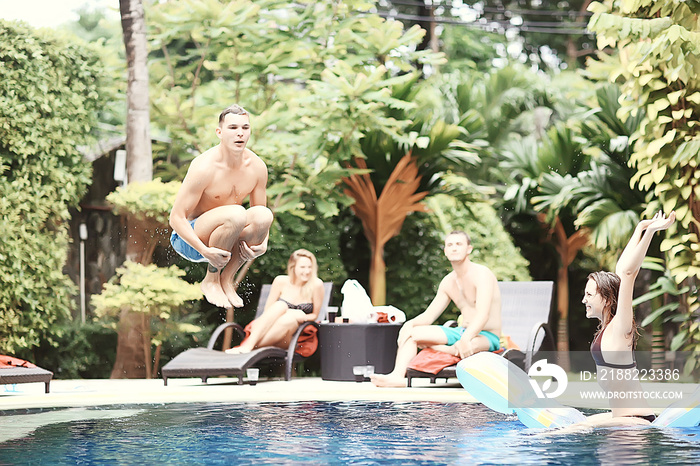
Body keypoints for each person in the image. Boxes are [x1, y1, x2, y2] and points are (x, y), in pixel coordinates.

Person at [575, 210, 676, 429]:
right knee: (571, 424)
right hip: (621, 417)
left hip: (634, 421)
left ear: (608, 299)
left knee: (575, 429)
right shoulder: (608, 327)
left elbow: (629, 274)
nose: (584, 300)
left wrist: (650, 232)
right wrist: (640, 227)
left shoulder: (621, 326)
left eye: (589, 295)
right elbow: (622, 269)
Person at [169, 104, 273, 309]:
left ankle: (227, 279)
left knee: (264, 216)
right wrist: (206, 251)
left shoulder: (257, 167)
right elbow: (175, 218)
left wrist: (263, 245)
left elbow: (259, 217)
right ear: (219, 132)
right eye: (233, 128)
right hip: (191, 240)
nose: (240, 133)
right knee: (236, 214)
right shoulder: (204, 167)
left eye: (245, 128)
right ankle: (211, 278)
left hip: (227, 236)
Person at [371, 230, 502, 388]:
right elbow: (428, 316)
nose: (454, 248)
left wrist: (465, 339)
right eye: (450, 245)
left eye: (459, 244)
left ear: (469, 249)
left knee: (470, 345)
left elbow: (483, 315)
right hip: (460, 332)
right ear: (445, 251)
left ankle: (444, 348)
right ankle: (398, 376)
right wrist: (408, 325)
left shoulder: (482, 274)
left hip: (486, 335)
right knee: (412, 334)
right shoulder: (448, 282)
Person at [226, 249, 326, 354]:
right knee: (280, 305)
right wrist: (291, 312)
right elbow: (268, 311)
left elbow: (315, 315)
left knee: (290, 319)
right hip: (268, 328)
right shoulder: (280, 281)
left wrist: (300, 315)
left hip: (293, 337)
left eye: (309, 267)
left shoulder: (316, 285)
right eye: (302, 267)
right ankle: (249, 346)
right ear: (293, 267)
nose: (307, 271)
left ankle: (248, 347)